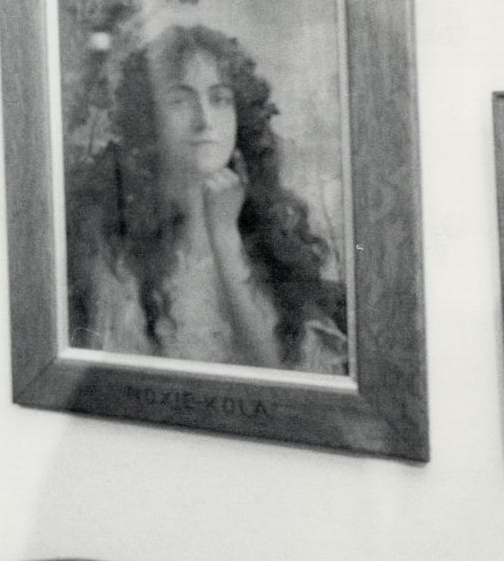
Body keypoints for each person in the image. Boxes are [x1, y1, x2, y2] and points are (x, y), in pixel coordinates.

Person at [67, 25, 348, 373]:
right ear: (148, 119)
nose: (205, 122)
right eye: (180, 101)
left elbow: (286, 377)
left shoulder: (276, 240)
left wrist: (225, 236)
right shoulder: (113, 251)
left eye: (220, 99)